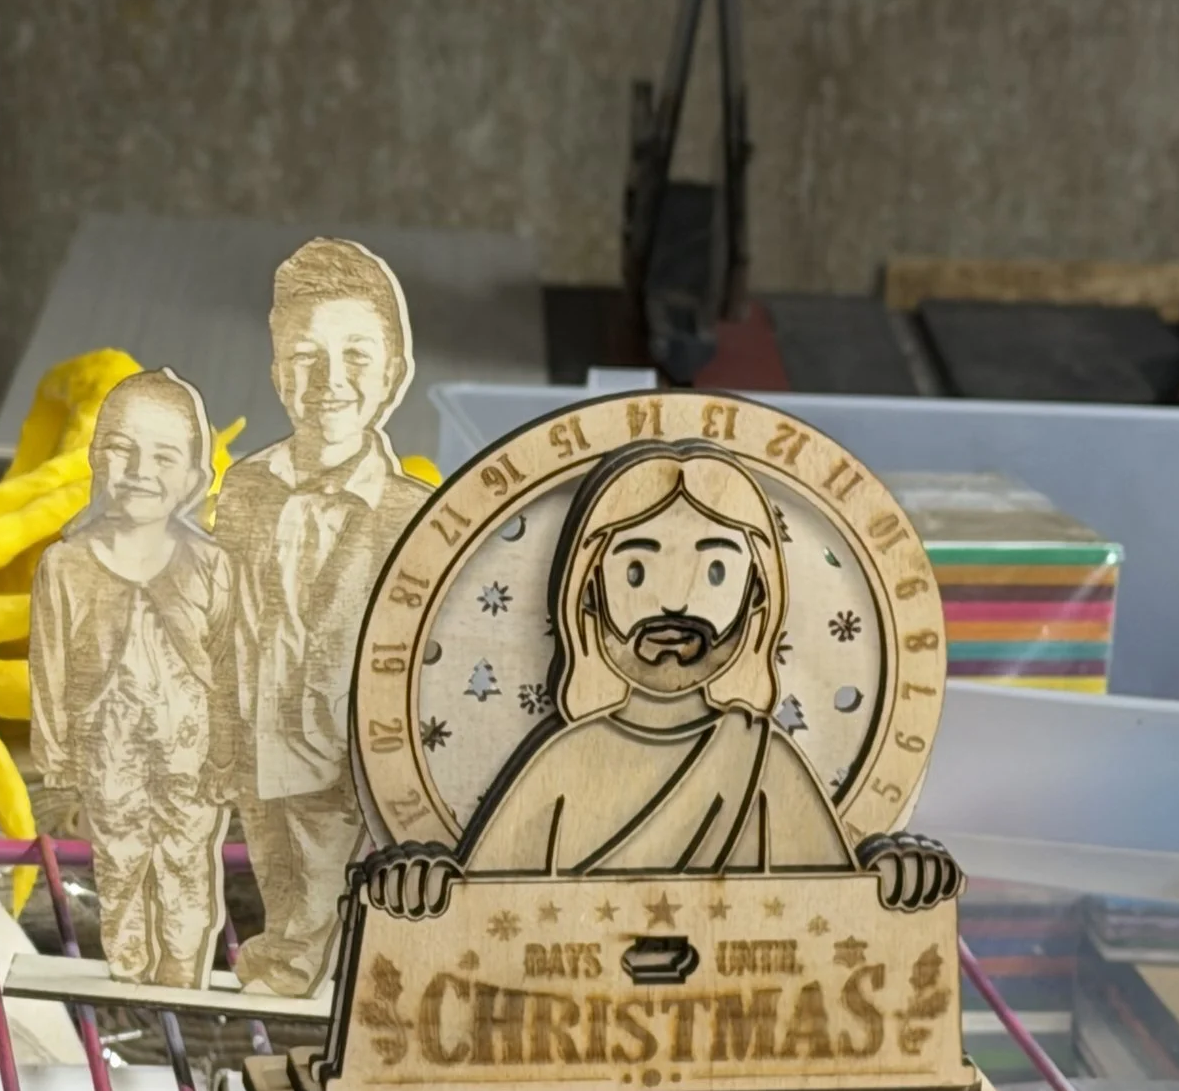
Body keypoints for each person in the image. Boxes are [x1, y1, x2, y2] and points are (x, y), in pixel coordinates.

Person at [443, 440, 954, 909]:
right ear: (590, 594)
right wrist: (421, 883)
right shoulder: (562, 763)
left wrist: (895, 880)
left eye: (715, 572)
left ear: (757, 596)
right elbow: (472, 908)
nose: (674, 601)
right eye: (637, 572)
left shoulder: (762, 760)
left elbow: (833, 908)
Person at [223, 238, 431, 996]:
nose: (329, 382)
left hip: (348, 750)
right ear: (278, 371)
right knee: (279, 871)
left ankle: (315, 969)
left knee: (334, 890)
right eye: (306, 358)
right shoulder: (244, 488)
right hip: (258, 736)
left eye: (356, 357)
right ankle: (291, 960)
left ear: (394, 374)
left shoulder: (414, 514)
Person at [29, 370, 238, 989]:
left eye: (164, 456)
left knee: (187, 861)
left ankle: (180, 972)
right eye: (122, 449)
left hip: (191, 752)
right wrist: (56, 753)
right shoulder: (64, 565)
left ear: (193, 476)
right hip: (108, 747)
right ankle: (127, 970)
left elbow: (231, 664)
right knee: (119, 861)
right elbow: (49, 666)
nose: (141, 470)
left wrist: (229, 751)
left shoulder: (212, 563)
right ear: (97, 457)